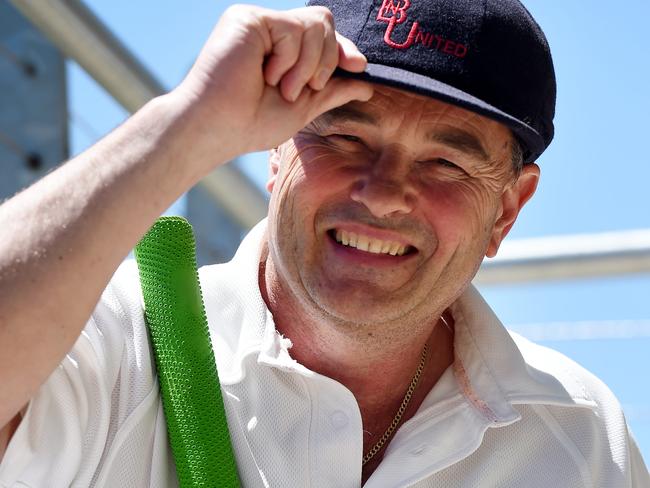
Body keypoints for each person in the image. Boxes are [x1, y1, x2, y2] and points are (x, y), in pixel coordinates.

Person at [0, 0, 648, 486]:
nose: (384, 192)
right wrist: (189, 122)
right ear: (276, 151)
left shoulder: (583, 438)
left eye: (446, 163)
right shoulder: (114, 343)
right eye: (344, 138)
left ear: (507, 210)